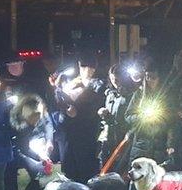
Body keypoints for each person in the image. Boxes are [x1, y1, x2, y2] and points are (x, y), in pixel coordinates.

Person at [123, 66, 175, 190]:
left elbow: (172, 122)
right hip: (141, 143)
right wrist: (141, 118)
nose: (150, 80)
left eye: (153, 77)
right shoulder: (139, 94)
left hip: (159, 143)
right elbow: (128, 116)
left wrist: (170, 144)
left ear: (159, 79)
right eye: (147, 77)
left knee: (157, 177)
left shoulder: (167, 96)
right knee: (135, 177)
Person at [53, 54, 105, 183]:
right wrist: (59, 91)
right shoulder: (72, 82)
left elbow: (95, 106)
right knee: (69, 164)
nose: (86, 70)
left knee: (86, 165)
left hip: (86, 131)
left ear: (94, 69)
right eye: (83, 67)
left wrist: (78, 112)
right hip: (69, 130)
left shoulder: (98, 84)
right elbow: (60, 100)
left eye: (89, 67)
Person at [98, 64, 130, 172]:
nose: (114, 81)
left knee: (121, 168)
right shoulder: (109, 94)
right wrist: (103, 113)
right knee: (105, 164)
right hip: (108, 136)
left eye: (117, 78)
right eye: (112, 78)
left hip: (123, 136)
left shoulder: (130, 95)